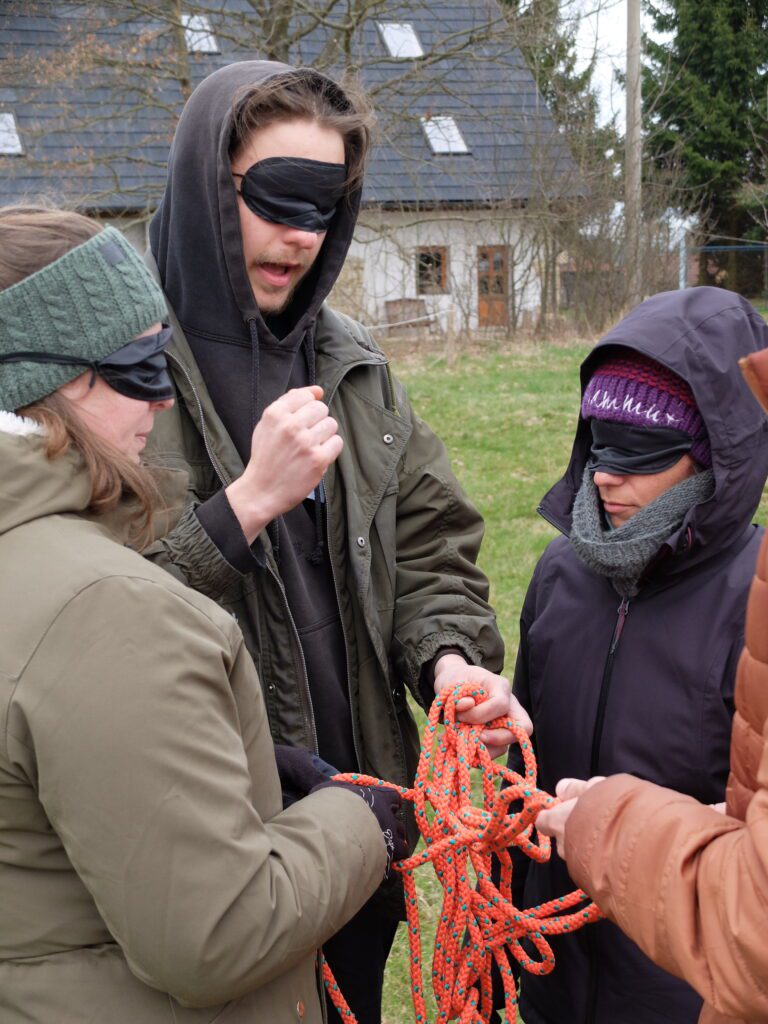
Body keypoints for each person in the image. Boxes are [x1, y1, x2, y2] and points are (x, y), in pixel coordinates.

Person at [143, 61, 526, 1023]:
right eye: (277, 198)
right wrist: (243, 507)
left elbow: (430, 545)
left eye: (326, 205)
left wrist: (447, 662)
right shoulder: (120, 373)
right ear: (207, 186)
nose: (303, 233)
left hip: (362, 836)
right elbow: (80, 617)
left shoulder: (353, 366)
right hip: (210, 850)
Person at [0, 205, 408, 1023]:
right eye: (142, 367)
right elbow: (217, 936)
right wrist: (363, 821)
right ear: (56, 380)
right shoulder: (107, 608)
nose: (161, 405)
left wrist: (243, 775)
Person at [501, 288, 768, 1024]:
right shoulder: (559, 573)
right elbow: (522, 778)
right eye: (599, 443)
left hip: (681, 990)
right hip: (550, 971)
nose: (604, 475)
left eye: (641, 452)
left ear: (716, 450)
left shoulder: (756, 601)